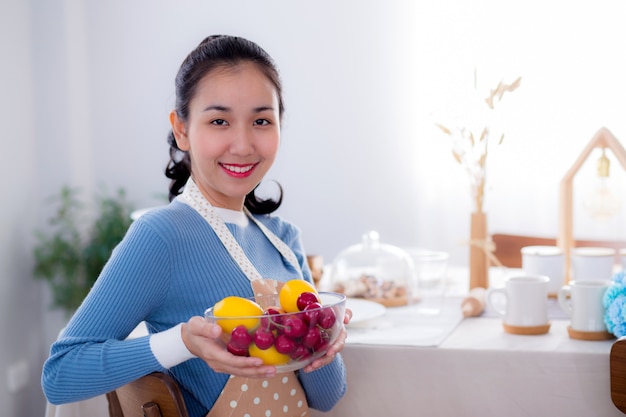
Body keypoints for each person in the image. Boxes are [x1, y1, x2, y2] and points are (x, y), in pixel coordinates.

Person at [42, 34, 350, 417]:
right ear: (182, 130)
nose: (242, 144)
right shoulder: (163, 236)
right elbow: (61, 373)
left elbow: (327, 396)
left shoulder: (283, 239)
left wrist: (320, 336)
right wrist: (183, 342)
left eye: (261, 121)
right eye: (219, 120)